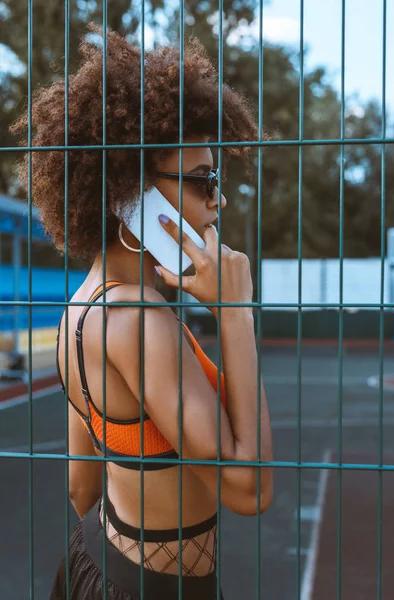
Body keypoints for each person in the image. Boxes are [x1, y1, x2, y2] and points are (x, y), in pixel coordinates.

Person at [10, 22, 273, 600]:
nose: (218, 199)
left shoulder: (81, 307)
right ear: (133, 192)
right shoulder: (140, 321)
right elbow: (249, 492)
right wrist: (236, 314)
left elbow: (81, 486)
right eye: (204, 180)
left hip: (96, 565)